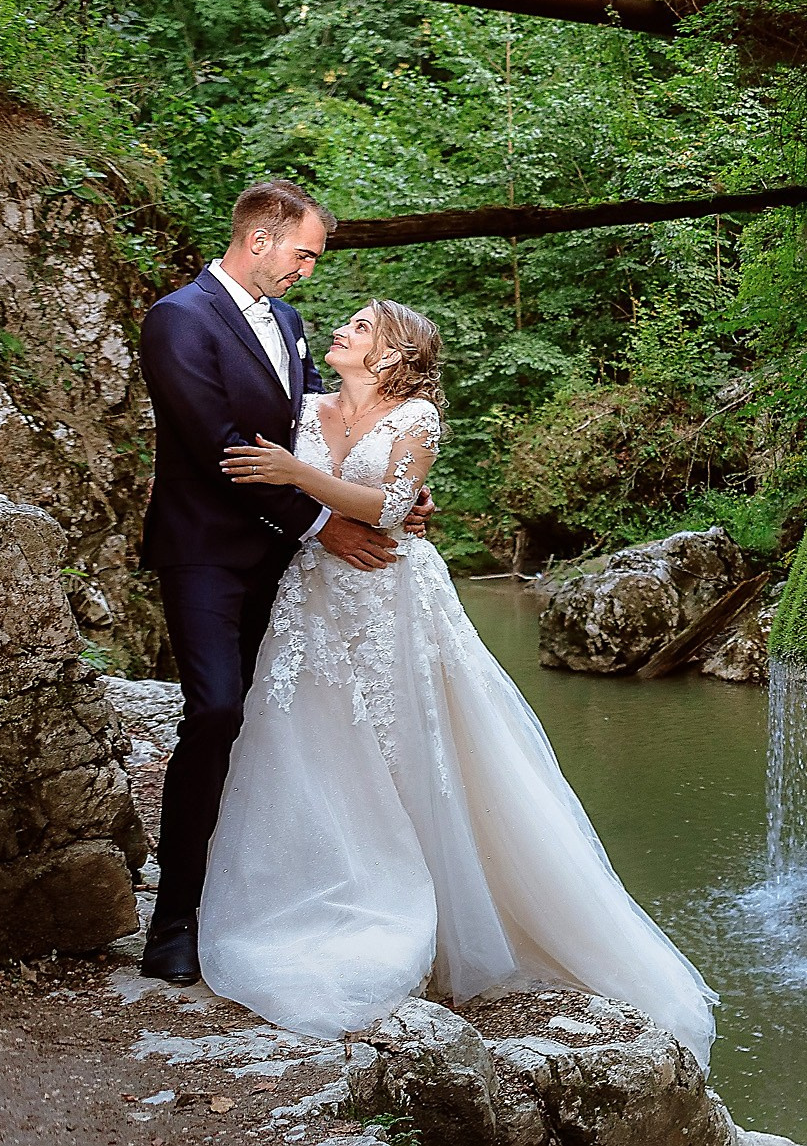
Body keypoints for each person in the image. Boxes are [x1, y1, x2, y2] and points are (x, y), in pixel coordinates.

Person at [198, 299, 714, 1064]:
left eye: (364, 326)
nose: (342, 328)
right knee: (309, 743)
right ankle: (315, 883)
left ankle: (440, 911)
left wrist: (297, 473)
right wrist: (290, 480)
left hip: (395, 599)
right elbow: (262, 487)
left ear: (398, 353)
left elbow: (392, 507)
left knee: (414, 744)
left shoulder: (417, 419)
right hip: (313, 597)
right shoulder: (299, 402)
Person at [136, 179, 427, 986]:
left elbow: (316, 424)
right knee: (217, 709)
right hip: (206, 551)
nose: (306, 272)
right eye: (303, 253)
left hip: (288, 565)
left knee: (281, 724)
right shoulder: (178, 319)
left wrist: (394, 483)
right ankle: (175, 919)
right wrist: (324, 523)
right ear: (260, 238)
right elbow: (220, 448)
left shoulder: (292, 323)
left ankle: (270, 897)